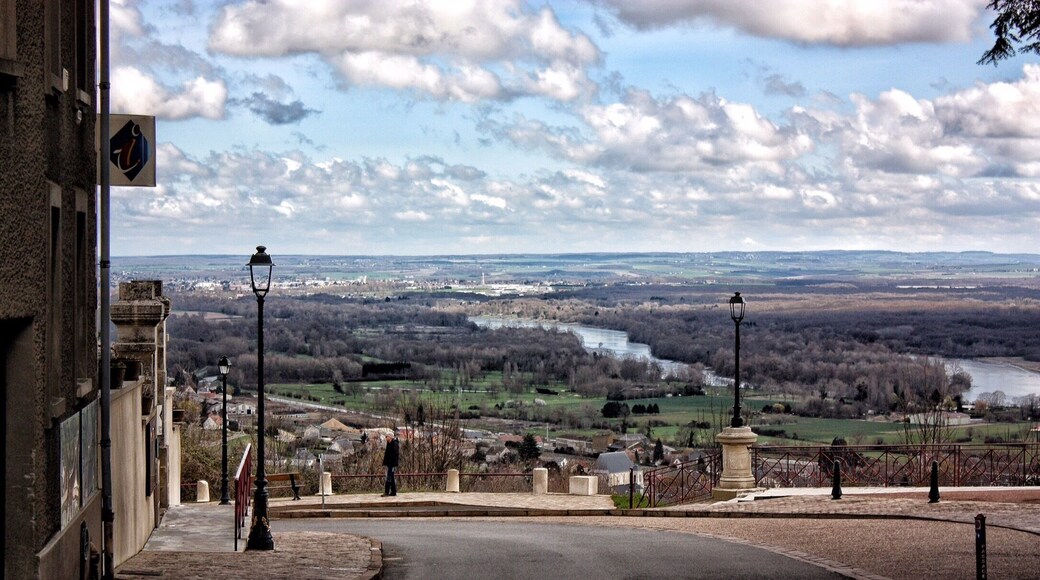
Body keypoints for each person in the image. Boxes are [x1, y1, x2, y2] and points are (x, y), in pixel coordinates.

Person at [382, 431, 400, 497]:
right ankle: (393, 492)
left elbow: (395, 454)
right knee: (391, 477)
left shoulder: (394, 444)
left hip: (392, 464)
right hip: (389, 463)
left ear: (390, 437)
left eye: (387, 436)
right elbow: (387, 454)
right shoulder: (389, 443)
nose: (386, 438)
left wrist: (392, 463)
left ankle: (386, 492)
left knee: (389, 478)